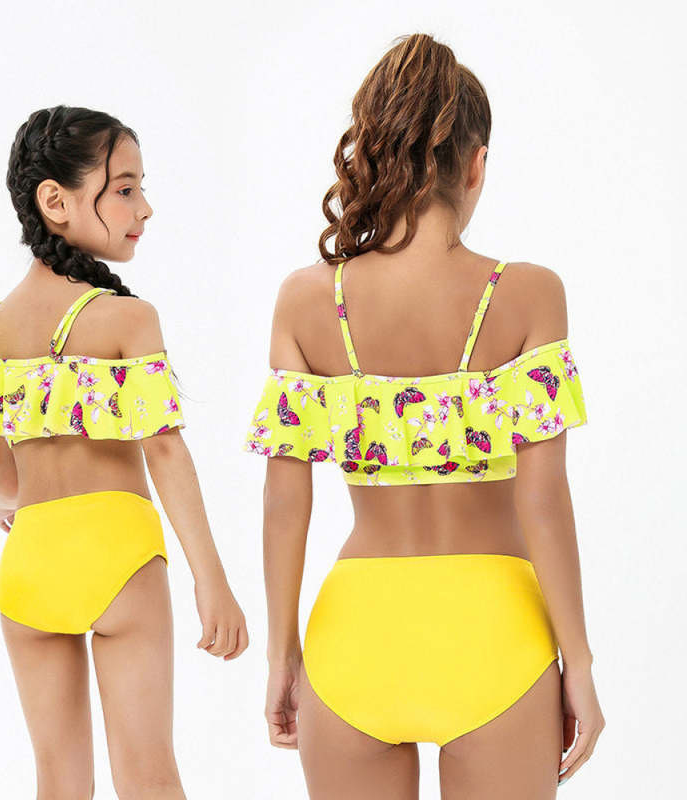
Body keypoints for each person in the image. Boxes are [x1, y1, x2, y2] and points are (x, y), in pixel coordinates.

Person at [243, 34, 604, 799]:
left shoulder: (306, 301)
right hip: (496, 633)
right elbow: (543, 498)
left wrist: (281, 654)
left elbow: (283, 500)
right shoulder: (529, 294)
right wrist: (579, 662)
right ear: (476, 165)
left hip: (354, 634)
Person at [0, 106, 248, 800]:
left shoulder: (2, 322)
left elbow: (4, 477)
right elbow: (166, 454)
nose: (143, 208)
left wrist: (16, 500)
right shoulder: (127, 318)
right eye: (124, 189)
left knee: (59, 784)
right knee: (149, 778)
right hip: (117, 558)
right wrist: (212, 579)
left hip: (27, 566)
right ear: (55, 201)